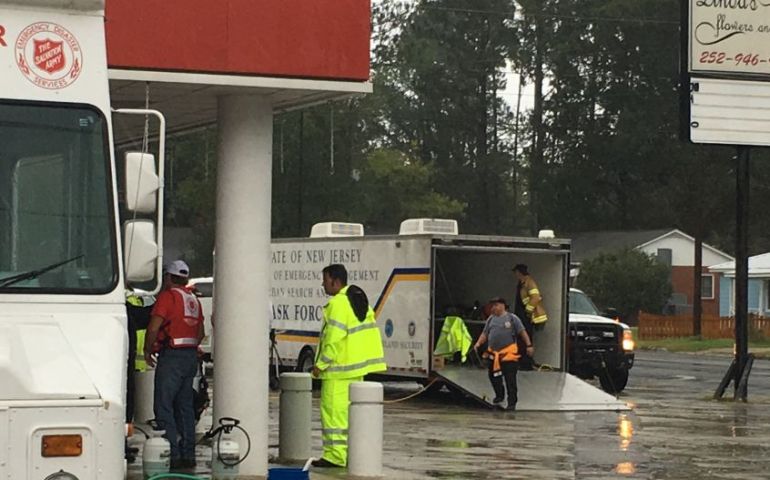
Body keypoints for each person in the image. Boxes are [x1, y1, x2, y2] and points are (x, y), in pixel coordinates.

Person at [311, 264, 387, 468]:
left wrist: (320, 365)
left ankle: (335, 455)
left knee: (333, 415)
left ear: (336, 281)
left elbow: (333, 340)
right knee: (348, 415)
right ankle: (347, 453)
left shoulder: (338, 304)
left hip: (337, 371)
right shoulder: (358, 300)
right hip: (355, 369)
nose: (323, 284)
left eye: (325, 280)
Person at [144, 260, 204, 471]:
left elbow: (153, 328)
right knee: (185, 407)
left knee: (163, 406)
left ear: (168, 278)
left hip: (171, 357)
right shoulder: (193, 300)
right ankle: (189, 455)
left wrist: (147, 349)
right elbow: (201, 332)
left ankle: (171, 453)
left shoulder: (168, 297)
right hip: (189, 358)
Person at [473, 297, 533, 411]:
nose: (493, 308)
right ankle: (499, 395)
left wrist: (529, 345)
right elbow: (485, 333)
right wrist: (478, 344)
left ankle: (512, 402)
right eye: (492, 305)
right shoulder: (491, 319)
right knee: (494, 376)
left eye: (495, 305)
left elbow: (522, 332)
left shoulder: (512, 318)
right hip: (494, 356)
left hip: (508, 356)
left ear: (502, 306)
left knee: (510, 379)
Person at [512, 263, 548, 369]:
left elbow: (535, 297)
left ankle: (526, 363)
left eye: (516, 272)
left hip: (526, 316)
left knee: (526, 338)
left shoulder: (529, 283)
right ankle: (522, 360)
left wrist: (528, 310)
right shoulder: (522, 283)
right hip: (521, 315)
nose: (515, 275)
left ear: (519, 272)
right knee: (522, 338)